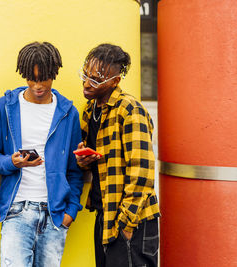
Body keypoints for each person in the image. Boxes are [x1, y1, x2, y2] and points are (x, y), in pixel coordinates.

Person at [0, 41, 83, 267]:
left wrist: (70, 213)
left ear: (54, 73)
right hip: (17, 211)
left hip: (54, 216)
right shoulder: (5, 107)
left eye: (44, 78)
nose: (37, 85)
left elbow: (74, 169)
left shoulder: (68, 113)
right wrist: (11, 162)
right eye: (31, 78)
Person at [75, 44, 161, 267]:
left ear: (115, 81)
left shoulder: (130, 110)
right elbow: (97, 163)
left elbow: (142, 172)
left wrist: (126, 225)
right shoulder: (90, 109)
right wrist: (83, 161)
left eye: (95, 79)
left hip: (133, 219)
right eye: (85, 74)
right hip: (105, 213)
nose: (86, 83)